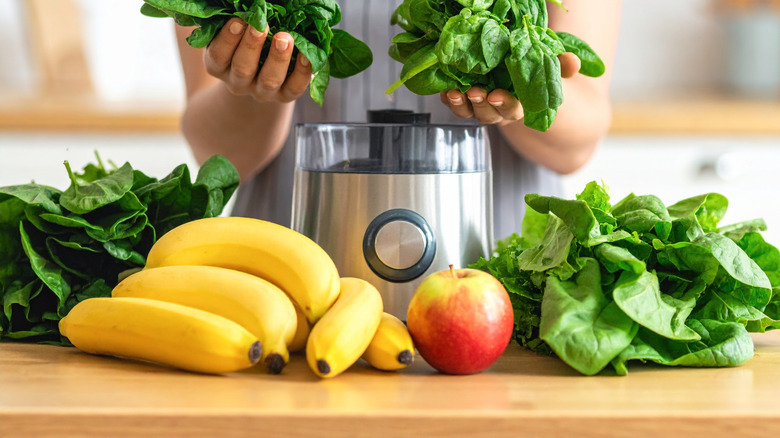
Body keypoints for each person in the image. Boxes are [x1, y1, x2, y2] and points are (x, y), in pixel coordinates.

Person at [174, 0, 622, 239]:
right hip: (292, 278)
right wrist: (258, 81)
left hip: (501, 276)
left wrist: (524, 94)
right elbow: (217, 155)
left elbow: (575, 141)